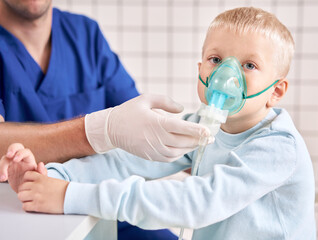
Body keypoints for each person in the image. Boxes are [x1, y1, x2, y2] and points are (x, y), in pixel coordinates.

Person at [3, 7, 316, 239]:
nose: (226, 76)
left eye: (248, 65)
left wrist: (70, 195)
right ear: (201, 68)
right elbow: (126, 161)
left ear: (276, 91)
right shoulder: (205, 128)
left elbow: (196, 202)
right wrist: (49, 178)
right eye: (216, 60)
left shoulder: (277, 146)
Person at [0, 0, 210, 239]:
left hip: (105, 210)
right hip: (29, 214)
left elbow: (145, 132)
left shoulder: (85, 35)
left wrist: (224, 149)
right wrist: (100, 130)